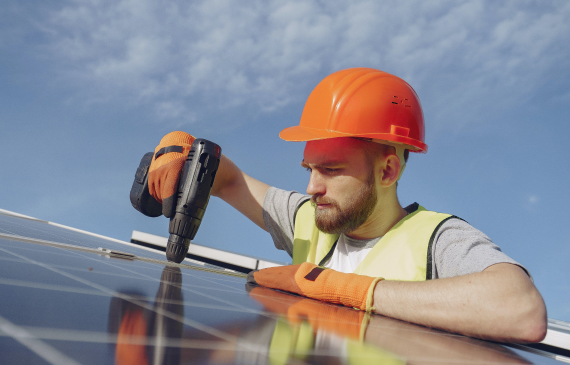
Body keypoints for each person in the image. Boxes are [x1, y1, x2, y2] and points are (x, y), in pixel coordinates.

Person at [147, 68, 547, 343]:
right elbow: (228, 179)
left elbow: (520, 310)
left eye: (332, 169)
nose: (312, 187)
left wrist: (344, 290)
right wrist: (184, 149)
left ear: (388, 171)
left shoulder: (436, 239)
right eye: (309, 168)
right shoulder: (311, 218)